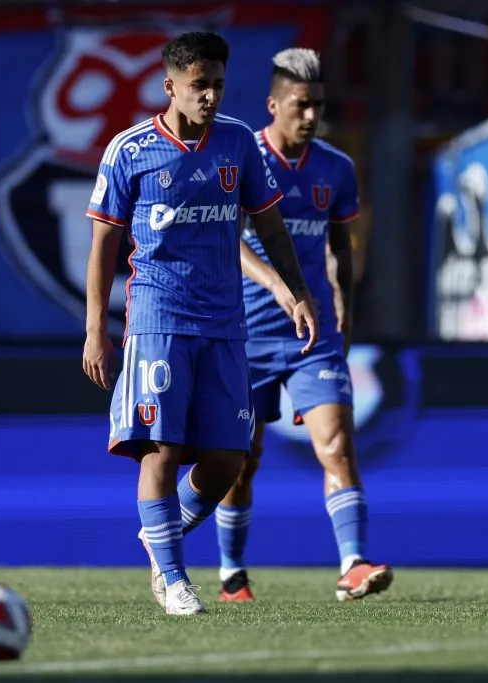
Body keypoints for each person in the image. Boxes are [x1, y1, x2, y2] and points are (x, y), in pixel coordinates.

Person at [83, 32, 318, 616]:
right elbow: (103, 247)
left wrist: (297, 294)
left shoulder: (238, 144)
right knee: (160, 449)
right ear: (170, 86)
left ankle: (159, 536)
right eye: (198, 86)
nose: (210, 95)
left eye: (217, 83)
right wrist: (96, 330)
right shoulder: (129, 151)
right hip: (158, 320)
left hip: (225, 324)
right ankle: (172, 577)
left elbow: (269, 227)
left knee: (226, 462)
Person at [193, 48, 393, 602]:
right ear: (273, 104)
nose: (311, 117)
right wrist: (279, 287)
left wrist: (343, 310)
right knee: (240, 461)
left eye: (319, 107)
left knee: (337, 444)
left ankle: (353, 565)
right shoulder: (240, 158)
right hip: (245, 336)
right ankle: (232, 573)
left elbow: (339, 249)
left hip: (314, 336)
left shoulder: (336, 168)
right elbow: (227, 240)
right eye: (301, 106)